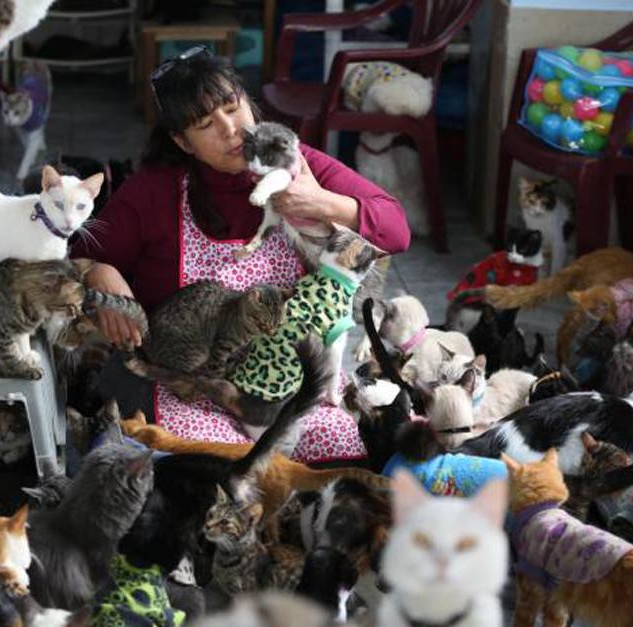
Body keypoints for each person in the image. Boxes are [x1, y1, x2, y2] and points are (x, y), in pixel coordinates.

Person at [73, 47, 410, 463]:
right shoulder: (153, 190)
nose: (231, 129)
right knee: (217, 470)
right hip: (191, 388)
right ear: (182, 142)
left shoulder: (298, 165)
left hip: (290, 384)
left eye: (234, 108)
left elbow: (396, 229)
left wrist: (322, 202)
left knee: (347, 451)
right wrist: (99, 270)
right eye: (205, 124)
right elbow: (77, 258)